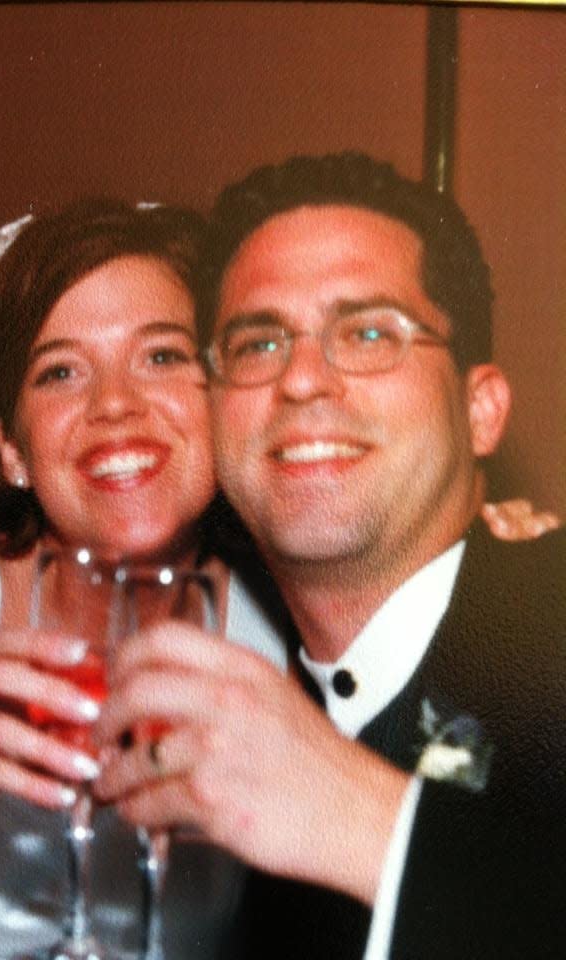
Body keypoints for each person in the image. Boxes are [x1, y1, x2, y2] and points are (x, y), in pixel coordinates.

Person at [92, 153, 566, 959]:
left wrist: (365, 825)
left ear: (480, 410)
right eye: (257, 343)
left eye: (371, 332)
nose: (303, 380)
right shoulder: (222, 676)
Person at [0, 199, 287, 960]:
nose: (115, 405)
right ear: (11, 448)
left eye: (162, 356)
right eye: (60, 372)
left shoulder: (284, 607)